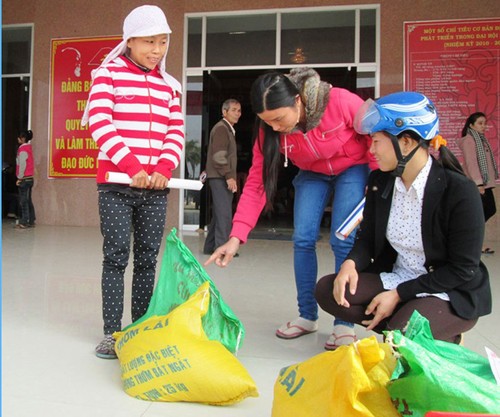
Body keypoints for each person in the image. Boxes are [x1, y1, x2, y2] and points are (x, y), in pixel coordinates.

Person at [205, 67, 376, 350]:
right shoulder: (268, 131)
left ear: (298, 101)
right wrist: (236, 237)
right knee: (303, 238)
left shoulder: (341, 102)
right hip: (311, 172)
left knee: (342, 239)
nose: (275, 128)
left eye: (279, 119)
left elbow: (374, 139)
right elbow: (257, 184)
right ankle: (307, 316)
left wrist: (376, 184)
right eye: (267, 122)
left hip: (352, 169)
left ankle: (343, 323)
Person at [315, 92, 492, 344]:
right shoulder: (381, 182)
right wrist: (350, 264)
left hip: (447, 288)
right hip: (400, 276)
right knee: (328, 290)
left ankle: (432, 328)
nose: (372, 150)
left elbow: (463, 269)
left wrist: (399, 294)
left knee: (401, 336)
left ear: (406, 142)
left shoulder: (459, 191)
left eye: (376, 141)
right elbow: (366, 239)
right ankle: (413, 327)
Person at [82, 5, 185, 359]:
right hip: (115, 187)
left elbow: (176, 132)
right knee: (115, 257)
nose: (157, 50)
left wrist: (163, 168)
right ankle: (113, 332)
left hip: (155, 190)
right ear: (130, 40)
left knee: (146, 260)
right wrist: (130, 165)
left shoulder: (170, 86)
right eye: (149, 42)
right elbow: (99, 122)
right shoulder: (107, 75)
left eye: (162, 42)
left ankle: (139, 328)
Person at [203, 99, 241, 255]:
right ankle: (223, 249)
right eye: (233, 110)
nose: (237, 113)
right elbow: (219, 157)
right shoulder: (221, 129)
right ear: (224, 112)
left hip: (220, 176)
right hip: (219, 177)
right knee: (224, 213)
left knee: (220, 212)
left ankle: (210, 246)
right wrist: (229, 176)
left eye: (239, 110)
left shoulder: (227, 129)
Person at [458, 112, 498, 254]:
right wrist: (478, 183)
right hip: (477, 184)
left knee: (485, 212)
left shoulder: (481, 140)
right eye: (480, 123)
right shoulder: (469, 140)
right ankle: (471, 242)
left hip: (483, 183)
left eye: (484, 123)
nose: (484, 126)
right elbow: (471, 163)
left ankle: (469, 240)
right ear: (471, 125)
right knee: (481, 213)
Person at [15, 130, 36, 228]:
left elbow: (22, 164)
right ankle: (31, 219)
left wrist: (19, 177)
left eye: (18, 137)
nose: (17, 139)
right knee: (28, 200)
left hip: (24, 178)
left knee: (23, 201)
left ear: (22, 139)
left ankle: (24, 221)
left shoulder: (23, 150)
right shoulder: (28, 148)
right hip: (30, 178)